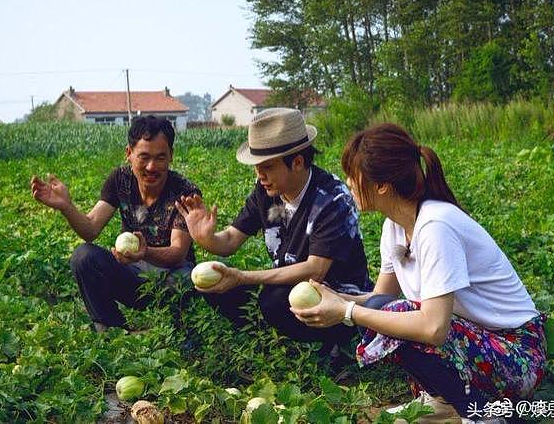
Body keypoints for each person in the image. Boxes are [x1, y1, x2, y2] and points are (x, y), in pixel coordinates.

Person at [291, 123, 546, 423]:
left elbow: (434, 329)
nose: (348, 182)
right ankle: (446, 402)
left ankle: (483, 413)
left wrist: (347, 312)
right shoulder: (395, 227)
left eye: (353, 175)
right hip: (479, 343)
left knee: (395, 314)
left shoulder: (436, 226)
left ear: (382, 184)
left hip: (516, 354)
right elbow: (379, 298)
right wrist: (336, 298)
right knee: (380, 309)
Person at [175, 108, 373, 350]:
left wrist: (242, 277)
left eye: (267, 167)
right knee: (214, 285)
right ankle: (273, 335)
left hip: (338, 296)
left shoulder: (332, 199)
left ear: (297, 162)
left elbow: (315, 270)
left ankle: (333, 344)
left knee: (274, 300)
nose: (260, 176)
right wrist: (205, 237)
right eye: (257, 167)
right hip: (287, 286)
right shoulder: (266, 191)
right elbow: (229, 241)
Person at [31, 116, 200, 332]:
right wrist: (66, 206)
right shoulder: (120, 180)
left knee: (188, 278)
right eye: (144, 157)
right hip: (131, 274)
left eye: (160, 158)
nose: (151, 167)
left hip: (171, 277)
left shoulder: (184, 192)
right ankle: (111, 330)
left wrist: (145, 252)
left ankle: (180, 332)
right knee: (84, 257)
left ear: (171, 156)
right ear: (129, 154)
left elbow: (178, 252)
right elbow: (91, 228)